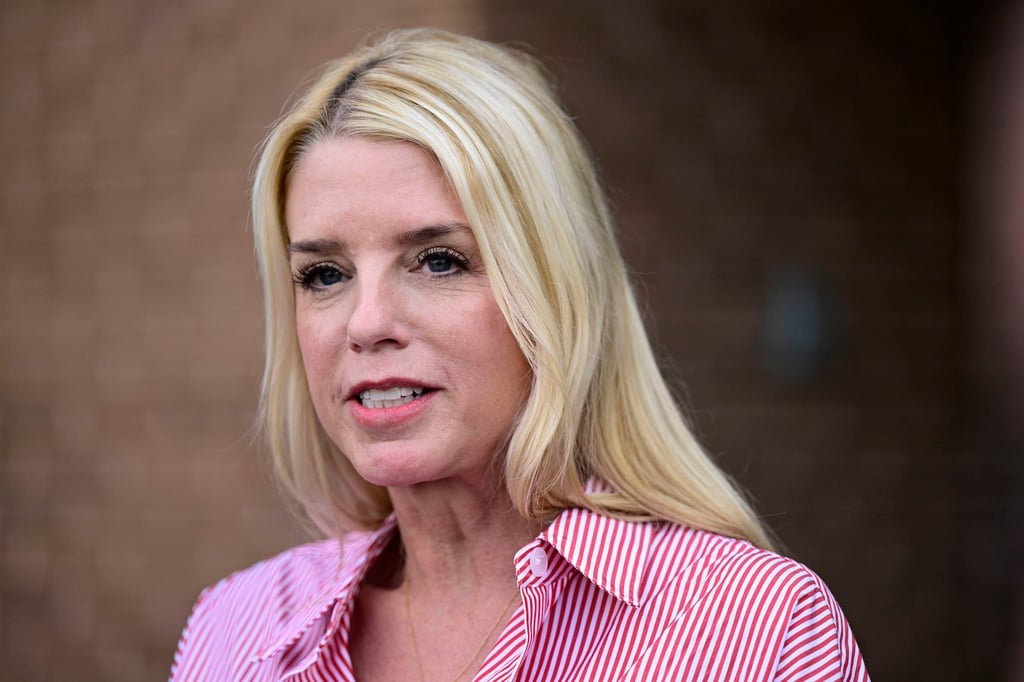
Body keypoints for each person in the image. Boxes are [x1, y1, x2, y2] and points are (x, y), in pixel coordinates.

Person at [170, 28, 870, 681]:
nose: (368, 322)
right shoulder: (238, 627)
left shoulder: (750, 625)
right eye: (324, 274)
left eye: (439, 261)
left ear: (556, 290)